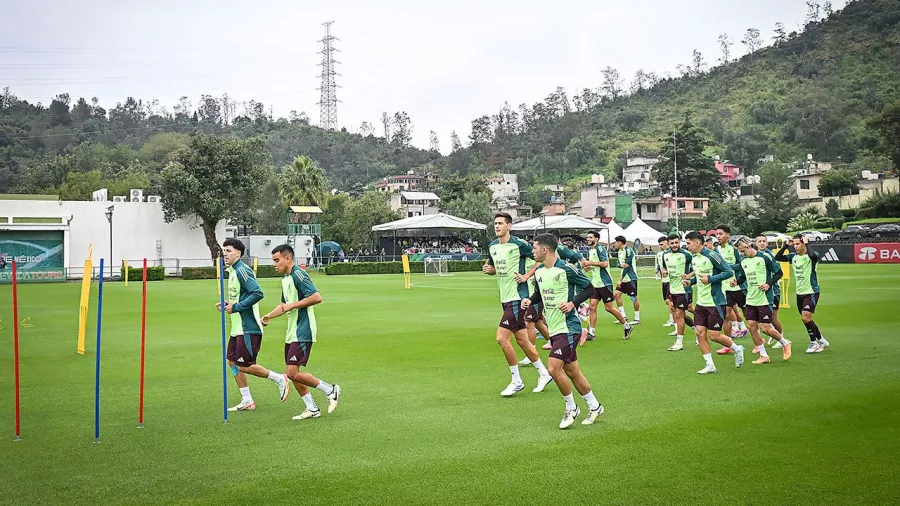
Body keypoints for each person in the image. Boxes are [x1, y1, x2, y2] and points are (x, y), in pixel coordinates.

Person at [521, 234, 604, 429]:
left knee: (552, 369)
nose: (532, 251)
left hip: (570, 327)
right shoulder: (540, 271)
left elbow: (589, 288)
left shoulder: (567, 268)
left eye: (534, 248)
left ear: (544, 249)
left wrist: (571, 303)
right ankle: (594, 406)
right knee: (572, 371)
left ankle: (571, 408)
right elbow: (540, 293)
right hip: (555, 328)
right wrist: (530, 301)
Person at [262, 244, 341, 420]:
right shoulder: (285, 279)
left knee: (291, 373)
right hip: (292, 331)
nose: (274, 264)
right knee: (293, 372)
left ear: (287, 258)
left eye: (277, 260)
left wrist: (293, 305)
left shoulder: (298, 274)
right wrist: (268, 316)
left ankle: (330, 389)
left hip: (303, 330)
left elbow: (316, 297)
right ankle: (312, 409)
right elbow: (284, 305)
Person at [483, 213, 554, 396]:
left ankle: (516, 380)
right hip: (504, 298)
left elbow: (540, 261)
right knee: (522, 340)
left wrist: (526, 276)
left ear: (509, 226)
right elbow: (492, 269)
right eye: (495, 223)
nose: (497, 226)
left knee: (501, 338)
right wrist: (490, 270)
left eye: (500, 223)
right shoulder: (492, 246)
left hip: (518, 297)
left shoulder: (519, 245)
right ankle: (544, 373)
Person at [218, 238, 290, 412]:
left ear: (238, 253)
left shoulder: (243, 270)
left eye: (228, 251)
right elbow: (240, 297)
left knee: (244, 365)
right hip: (237, 328)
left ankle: (280, 378)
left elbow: (257, 293)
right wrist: (229, 304)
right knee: (232, 362)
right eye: (224, 250)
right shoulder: (233, 271)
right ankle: (247, 400)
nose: (225, 254)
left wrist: (236, 307)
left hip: (248, 328)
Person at [682, 232, 745, 374]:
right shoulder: (694, 258)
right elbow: (699, 278)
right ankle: (710, 365)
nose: (687, 246)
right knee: (699, 332)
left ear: (697, 242)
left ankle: (736, 348)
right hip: (701, 303)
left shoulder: (712, 255)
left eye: (688, 243)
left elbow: (728, 272)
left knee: (714, 335)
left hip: (715, 302)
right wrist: (690, 282)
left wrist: (710, 279)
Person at [731, 238, 792, 363]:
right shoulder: (743, 261)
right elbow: (742, 278)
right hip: (751, 298)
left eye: (743, 251)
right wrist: (736, 282)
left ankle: (785, 342)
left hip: (765, 298)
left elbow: (779, 273)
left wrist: (769, 284)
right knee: (752, 326)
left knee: (765, 328)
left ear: (749, 246)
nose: (742, 254)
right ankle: (764, 355)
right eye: (740, 252)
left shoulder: (765, 257)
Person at [775, 235, 830, 353]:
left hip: (811, 291)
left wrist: (807, 243)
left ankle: (813, 342)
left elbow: (812, 256)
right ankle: (821, 340)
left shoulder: (812, 256)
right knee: (807, 319)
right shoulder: (793, 257)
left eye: (797, 244)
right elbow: (778, 257)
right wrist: (785, 246)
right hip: (799, 292)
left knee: (805, 317)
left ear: (804, 243)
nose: (795, 246)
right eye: (794, 244)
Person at [582, 231, 633, 340]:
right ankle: (592, 333)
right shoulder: (591, 250)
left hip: (604, 283)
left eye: (590, 237)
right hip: (595, 283)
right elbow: (596, 265)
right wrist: (588, 267)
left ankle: (627, 326)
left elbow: (605, 263)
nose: (588, 239)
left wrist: (590, 263)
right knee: (592, 307)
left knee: (609, 308)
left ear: (596, 239)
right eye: (587, 237)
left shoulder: (600, 249)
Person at [715, 225, 749, 346]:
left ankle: (759, 342)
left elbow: (741, 264)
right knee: (726, 316)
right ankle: (729, 345)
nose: (718, 236)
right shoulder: (716, 251)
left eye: (721, 234)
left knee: (749, 315)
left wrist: (727, 267)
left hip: (738, 286)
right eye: (717, 234)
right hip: (724, 288)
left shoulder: (734, 249)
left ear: (728, 235)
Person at [662, 233, 695, 351]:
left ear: (679, 242)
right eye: (672, 243)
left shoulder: (686, 254)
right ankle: (697, 328)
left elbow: (696, 269)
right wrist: (664, 271)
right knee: (680, 314)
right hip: (672, 289)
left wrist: (688, 276)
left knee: (679, 315)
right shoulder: (665, 255)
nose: (675, 245)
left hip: (683, 289)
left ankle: (679, 342)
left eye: (677, 242)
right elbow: (665, 268)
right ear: (668, 244)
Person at [755, 235, 788, 348]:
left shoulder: (770, 255)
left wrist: (769, 284)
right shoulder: (755, 255)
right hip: (760, 292)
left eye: (764, 241)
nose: (762, 243)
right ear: (756, 243)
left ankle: (781, 338)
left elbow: (778, 273)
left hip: (773, 291)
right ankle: (773, 334)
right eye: (760, 241)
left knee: (773, 318)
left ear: (767, 243)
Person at [613, 236, 641, 324]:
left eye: (616, 242)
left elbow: (627, 267)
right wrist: (620, 265)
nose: (615, 244)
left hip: (631, 278)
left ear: (620, 242)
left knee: (633, 297)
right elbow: (618, 263)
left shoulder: (628, 251)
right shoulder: (619, 251)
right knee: (616, 295)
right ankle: (623, 316)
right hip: (624, 278)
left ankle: (637, 318)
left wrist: (620, 279)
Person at [656, 236, 675, 328]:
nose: (660, 246)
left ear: (667, 243)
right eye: (659, 244)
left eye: (662, 244)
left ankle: (672, 320)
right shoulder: (660, 254)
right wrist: (658, 270)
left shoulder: (671, 253)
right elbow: (660, 265)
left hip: (670, 280)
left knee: (669, 301)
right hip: (664, 280)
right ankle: (673, 317)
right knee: (666, 301)